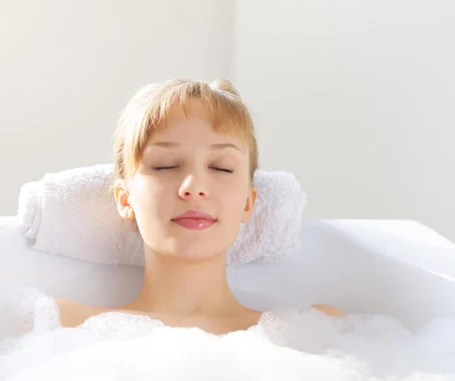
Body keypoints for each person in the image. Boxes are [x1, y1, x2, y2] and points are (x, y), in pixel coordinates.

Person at [57, 78, 343, 335]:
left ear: (248, 203)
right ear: (125, 199)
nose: (194, 187)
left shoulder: (311, 333)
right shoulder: (65, 327)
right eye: (165, 165)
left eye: (221, 168)